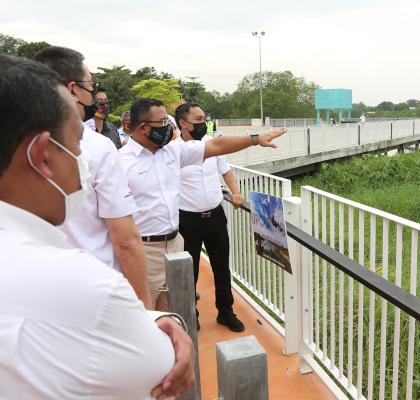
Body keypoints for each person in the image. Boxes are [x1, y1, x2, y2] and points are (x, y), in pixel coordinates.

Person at [0, 54, 194, 400]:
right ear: (41, 155)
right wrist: (157, 321)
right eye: (76, 144)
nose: (81, 160)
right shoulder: (90, 286)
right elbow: (161, 369)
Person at [119, 98, 286, 312]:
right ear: (143, 127)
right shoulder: (120, 162)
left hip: (175, 243)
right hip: (146, 249)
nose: (168, 127)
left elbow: (217, 146)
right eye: (163, 122)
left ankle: (214, 315)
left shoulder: (172, 152)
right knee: (148, 310)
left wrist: (255, 139)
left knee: (178, 307)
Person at [34, 46, 152, 308]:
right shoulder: (97, 146)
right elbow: (125, 240)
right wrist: (145, 308)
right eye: (90, 85)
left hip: (37, 292)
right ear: (73, 90)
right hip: (97, 290)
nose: (95, 96)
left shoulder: (16, 140)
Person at [176, 103, 245, 332]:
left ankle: (226, 312)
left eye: (204, 118)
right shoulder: (173, 150)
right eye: (198, 119)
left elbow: (226, 170)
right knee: (190, 271)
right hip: (187, 220)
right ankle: (190, 315)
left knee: (222, 268)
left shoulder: (212, 145)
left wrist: (235, 192)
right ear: (183, 123)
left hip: (215, 216)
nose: (203, 123)